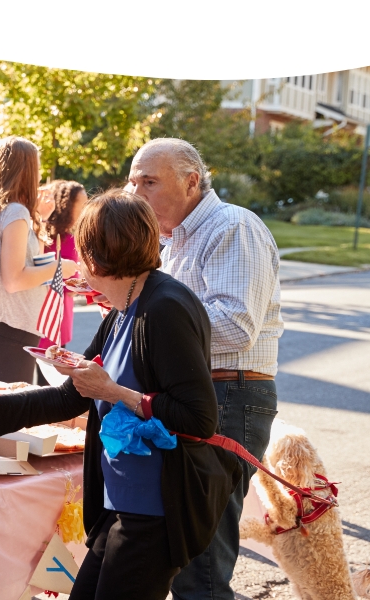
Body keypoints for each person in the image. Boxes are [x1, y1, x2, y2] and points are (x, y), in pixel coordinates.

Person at [0, 189, 241, 599]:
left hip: (155, 512)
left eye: (80, 248)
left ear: (95, 257)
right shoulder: (124, 306)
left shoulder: (164, 308)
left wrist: (113, 392)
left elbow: (198, 416)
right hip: (121, 505)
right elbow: (71, 397)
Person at [124, 138, 283, 600]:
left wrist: (146, 321)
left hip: (229, 398)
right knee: (182, 553)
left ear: (191, 181)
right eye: (133, 181)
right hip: (200, 396)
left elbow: (235, 326)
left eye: (149, 182)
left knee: (202, 566)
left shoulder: (231, 225)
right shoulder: (173, 241)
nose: (136, 194)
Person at [0, 137, 77, 383]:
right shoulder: (15, 212)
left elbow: (30, 260)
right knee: (5, 415)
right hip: (11, 331)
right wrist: (60, 268)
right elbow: (15, 279)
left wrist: (41, 220)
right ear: (26, 171)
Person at [36, 180, 87, 350]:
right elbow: (71, 287)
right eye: (82, 205)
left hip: (41, 313)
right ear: (66, 207)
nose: (85, 211)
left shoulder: (39, 235)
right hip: (56, 314)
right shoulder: (68, 241)